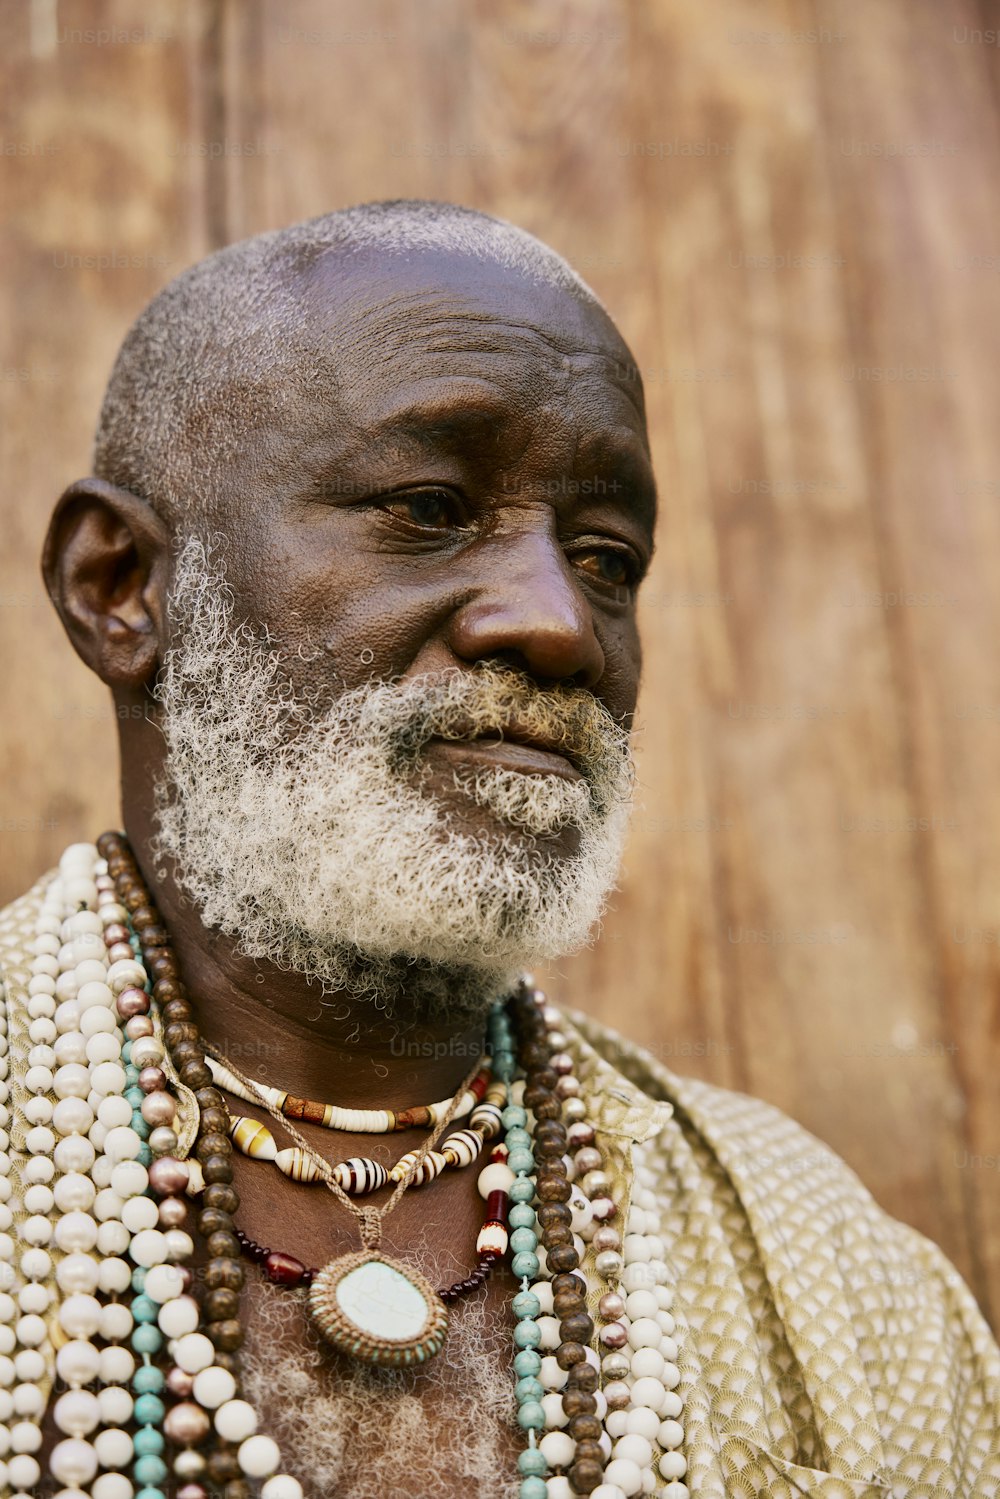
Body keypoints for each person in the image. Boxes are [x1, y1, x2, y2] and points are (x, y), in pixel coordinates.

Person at [1, 200, 996, 1499]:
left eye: (607, 557)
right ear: (122, 587)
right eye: (426, 507)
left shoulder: (831, 1275)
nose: (559, 626)